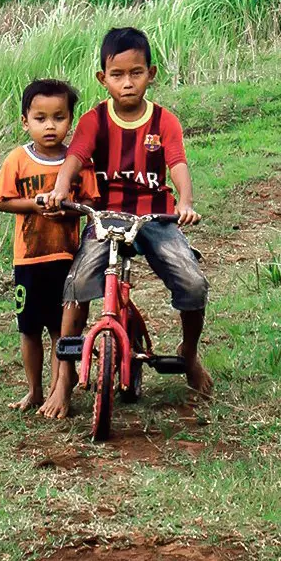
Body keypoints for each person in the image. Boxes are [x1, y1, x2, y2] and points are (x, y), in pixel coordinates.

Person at [43, 25, 208, 409]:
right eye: (117, 75)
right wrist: (61, 188)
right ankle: (64, 377)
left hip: (156, 216)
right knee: (78, 284)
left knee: (192, 283)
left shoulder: (164, 121)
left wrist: (184, 201)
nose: (127, 83)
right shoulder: (94, 121)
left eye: (136, 73)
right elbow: (75, 159)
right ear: (103, 79)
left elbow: (177, 163)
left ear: (151, 73)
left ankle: (190, 352)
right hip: (105, 215)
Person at [0, 77, 81, 416]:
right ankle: (34, 390)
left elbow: (89, 201)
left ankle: (60, 389)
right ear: (25, 121)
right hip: (28, 258)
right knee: (29, 329)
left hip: (66, 257)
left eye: (59, 117)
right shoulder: (17, 159)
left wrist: (66, 207)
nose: (50, 126)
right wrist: (36, 205)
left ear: (71, 120)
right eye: (40, 118)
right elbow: (0, 201)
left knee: (60, 327)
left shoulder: (76, 162)